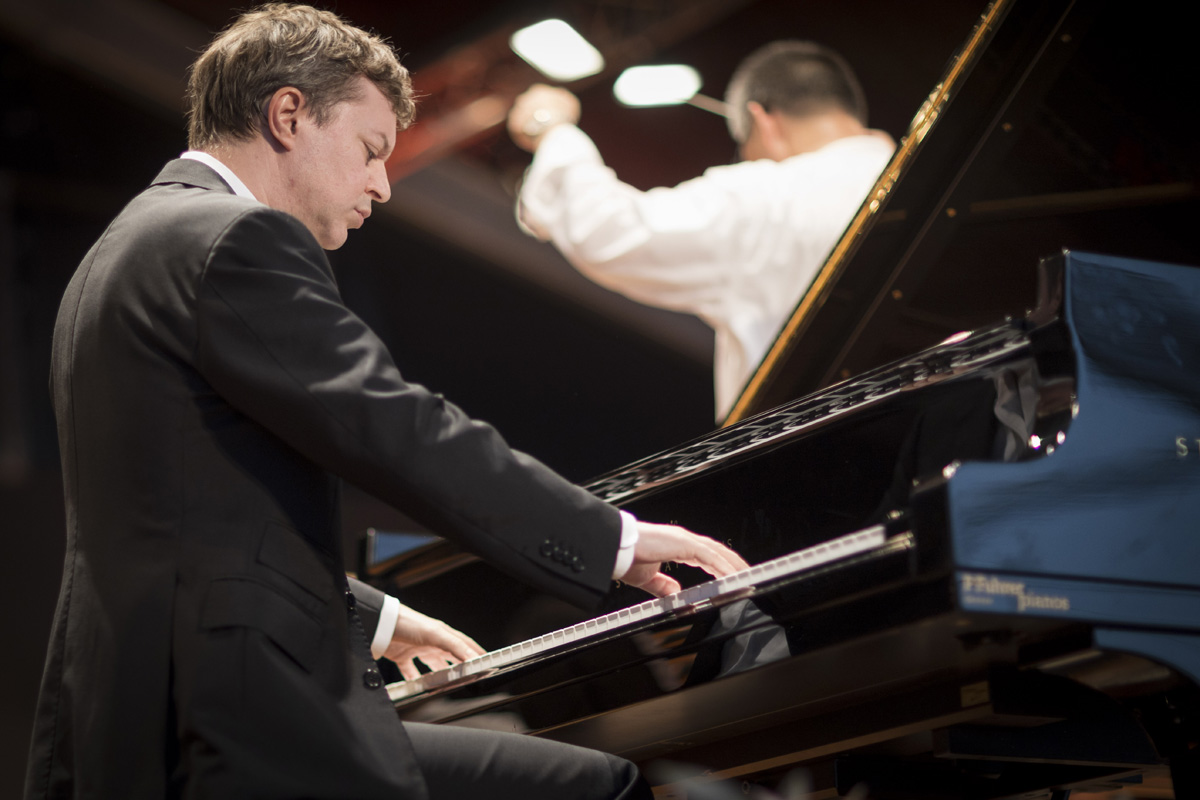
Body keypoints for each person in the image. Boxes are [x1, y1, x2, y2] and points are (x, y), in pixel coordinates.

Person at [23, 4, 748, 799]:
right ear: (288, 115)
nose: (382, 184)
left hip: (137, 712)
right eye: (370, 150)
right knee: (599, 788)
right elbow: (393, 425)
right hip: (235, 717)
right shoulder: (231, 238)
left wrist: (380, 620)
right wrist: (611, 538)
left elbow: (185, 520)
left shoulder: (125, 248)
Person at [508, 41, 896, 420]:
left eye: (745, 146)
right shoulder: (909, 180)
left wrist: (551, 128)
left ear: (763, 121)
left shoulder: (768, 196)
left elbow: (609, 230)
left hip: (813, 445)